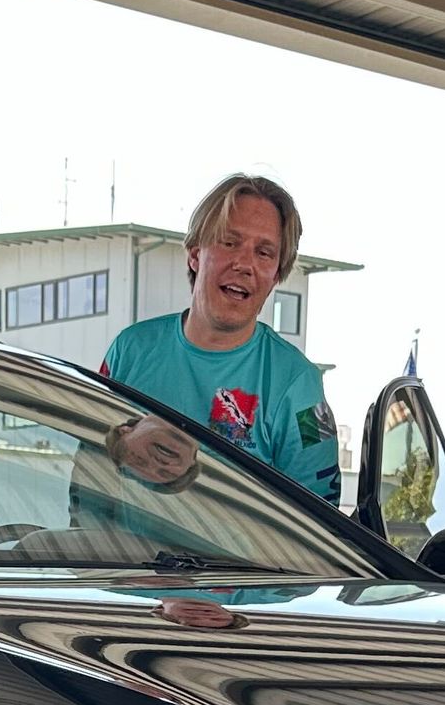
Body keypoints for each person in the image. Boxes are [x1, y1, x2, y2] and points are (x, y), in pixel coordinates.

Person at [100, 174, 341, 505]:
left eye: (264, 253)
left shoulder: (300, 386)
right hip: (115, 556)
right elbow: (91, 466)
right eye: (230, 242)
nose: (244, 264)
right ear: (195, 254)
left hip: (239, 559)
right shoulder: (129, 351)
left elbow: (321, 519)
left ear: (276, 277)